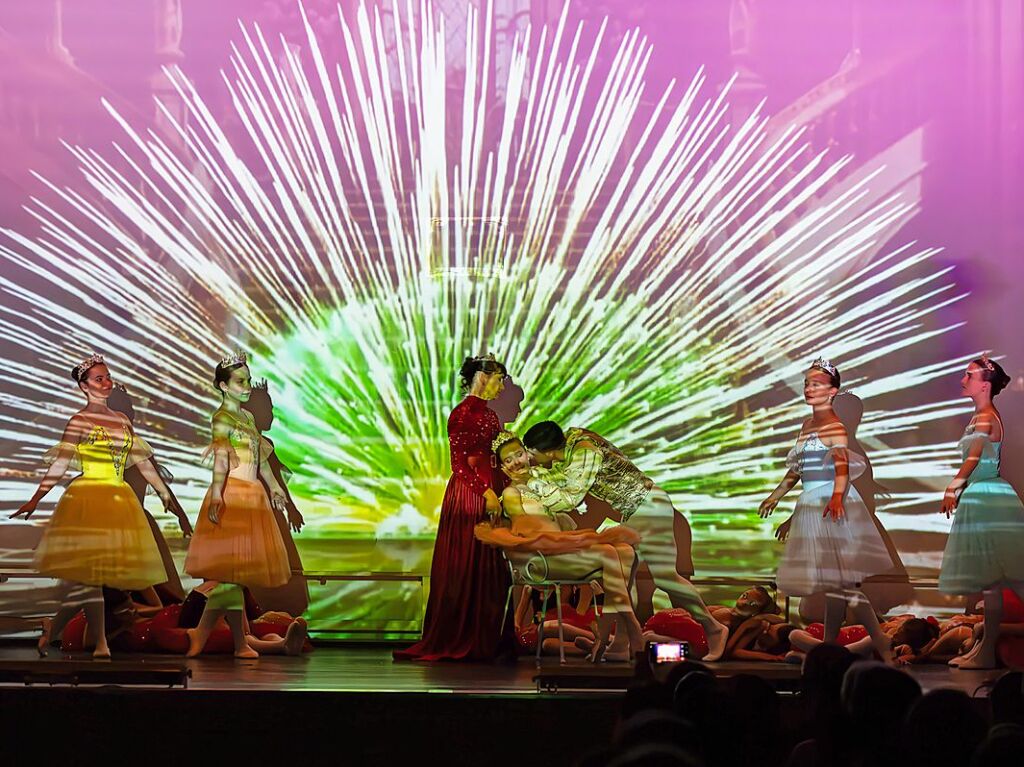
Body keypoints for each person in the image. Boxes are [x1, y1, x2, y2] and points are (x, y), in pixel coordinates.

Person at [12, 354, 181, 658]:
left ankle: (55, 626)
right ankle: (101, 641)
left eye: (107, 377)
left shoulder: (122, 421)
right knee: (92, 577)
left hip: (119, 500)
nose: (106, 383)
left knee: (96, 578)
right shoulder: (79, 421)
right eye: (98, 379)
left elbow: (142, 463)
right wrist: (37, 497)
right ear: (83, 386)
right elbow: (61, 463)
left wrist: (163, 493)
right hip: (89, 500)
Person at [522, 421, 729, 661]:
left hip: (648, 507)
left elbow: (570, 498)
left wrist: (529, 486)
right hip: (642, 508)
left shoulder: (584, 451)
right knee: (621, 578)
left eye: (532, 454)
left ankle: (713, 628)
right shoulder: (572, 440)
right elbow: (563, 477)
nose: (530, 459)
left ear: (547, 451)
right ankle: (622, 643)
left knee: (659, 577)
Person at [759, 358, 893, 661]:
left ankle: (882, 643)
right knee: (835, 586)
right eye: (807, 383)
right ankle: (830, 650)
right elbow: (797, 471)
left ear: (832, 391)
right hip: (811, 505)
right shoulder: (807, 425)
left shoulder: (834, 426)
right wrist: (776, 496)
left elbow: (841, 468)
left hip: (830, 507)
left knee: (843, 584)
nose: (809, 388)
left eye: (816, 384)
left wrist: (835, 498)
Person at [475, 431, 644, 661]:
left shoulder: (542, 485)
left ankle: (615, 642)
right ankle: (632, 629)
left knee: (626, 553)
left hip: (562, 553)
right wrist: (570, 541)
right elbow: (527, 532)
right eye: (508, 459)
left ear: (527, 454)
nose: (516, 462)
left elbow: (565, 516)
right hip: (541, 558)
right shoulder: (511, 493)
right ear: (502, 467)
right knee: (607, 552)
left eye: (519, 454)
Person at [394, 354, 516, 661]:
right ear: (483, 377)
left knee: (490, 566)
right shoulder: (461, 414)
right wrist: (485, 491)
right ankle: (463, 636)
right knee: (468, 562)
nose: (502, 388)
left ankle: (487, 637)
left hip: (491, 486)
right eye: (500, 379)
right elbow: (458, 464)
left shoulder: (489, 415)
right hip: (470, 492)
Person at [183, 352, 293, 659]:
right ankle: (217, 639)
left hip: (252, 494)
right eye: (239, 381)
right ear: (223, 385)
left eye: (247, 379)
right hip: (233, 494)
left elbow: (260, 460)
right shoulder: (222, 419)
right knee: (230, 577)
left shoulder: (248, 418)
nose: (246, 386)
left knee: (235, 579)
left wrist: (273, 487)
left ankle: (227, 641)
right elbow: (221, 461)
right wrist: (217, 494)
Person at [938, 356, 1024, 669]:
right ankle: (985, 650)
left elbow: (974, 458)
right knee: (993, 582)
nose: (963, 380)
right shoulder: (979, 416)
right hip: (981, 495)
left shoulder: (987, 417)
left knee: (1009, 575)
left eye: (969, 375)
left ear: (984, 384)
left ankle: (986, 651)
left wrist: (953, 487)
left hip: (989, 497)